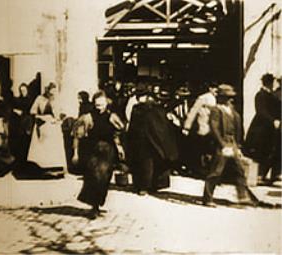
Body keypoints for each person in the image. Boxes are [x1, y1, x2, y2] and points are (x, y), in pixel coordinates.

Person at [72, 90, 125, 219]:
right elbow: (77, 135)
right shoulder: (88, 117)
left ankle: (97, 203)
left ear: (106, 103)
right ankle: (94, 206)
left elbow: (118, 132)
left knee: (104, 179)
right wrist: (75, 153)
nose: (99, 108)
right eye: (97, 105)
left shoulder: (112, 117)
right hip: (93, 150)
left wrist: (119, 148)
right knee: (94, 177)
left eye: (101, 105)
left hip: (108, 151)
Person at [202, 84, 256, 207]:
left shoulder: (232, 111)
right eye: (226, 97)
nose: (229, 99)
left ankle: (242, 196)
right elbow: (214, 128)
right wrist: (222, 144)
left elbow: (238, 130)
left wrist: (238, 147)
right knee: (216, 171)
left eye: (230, 97)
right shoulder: (216, 110)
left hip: (233, 143)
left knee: (240, 170)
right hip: (222, 143)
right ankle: (207, 198)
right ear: (221, 97)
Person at [127, 83, 179, 195]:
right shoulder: (157, 109)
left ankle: (144, 186)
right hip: (152, 140)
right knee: (152, 162)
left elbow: (133, 126)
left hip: (143, 140)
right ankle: (153, 185)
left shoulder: (141, 109)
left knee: (145, 163)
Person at [244, 74, 281, 184]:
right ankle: (257, 176)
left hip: (269, 129)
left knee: (268, 151)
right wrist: (273, 120)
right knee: (259, 151)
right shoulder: (260, 95)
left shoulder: (272, 95)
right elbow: (261, 111)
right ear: (268, 83)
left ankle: (263, 176)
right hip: (260, 128)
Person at [27, 83, 67, 171]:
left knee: (54, 146)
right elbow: (32, 111)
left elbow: (61, 112)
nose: (53, 94)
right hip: (43, 124)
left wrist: (60, 117)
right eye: (51, 91)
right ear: (48, 90)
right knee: (43, 148)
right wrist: (39, 117)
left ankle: (56, 167)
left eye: (54, 92)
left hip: (53, 125)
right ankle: (43, 168)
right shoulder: (40, 99)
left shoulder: (57, 100)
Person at [182, 82, 218, 177]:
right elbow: (193, 112)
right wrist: (187, 126)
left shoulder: (218, 98)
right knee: (202, 148)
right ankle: (199, 170)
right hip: (203, 126)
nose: (216, 91)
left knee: (210, 149)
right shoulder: (203, 98)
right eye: (214, 88)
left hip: (213, 128)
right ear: (210, 88)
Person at [9, 83, 33, 167]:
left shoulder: (30, 100)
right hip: (19, 124)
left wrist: (22, 113)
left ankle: (25, 163)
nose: (23, 92)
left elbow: (31, 112)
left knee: (26, 143)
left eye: (24, 90)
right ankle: (19, 163)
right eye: (21, 90)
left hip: (27, 124)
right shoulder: (18, 100)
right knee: (19, 143)